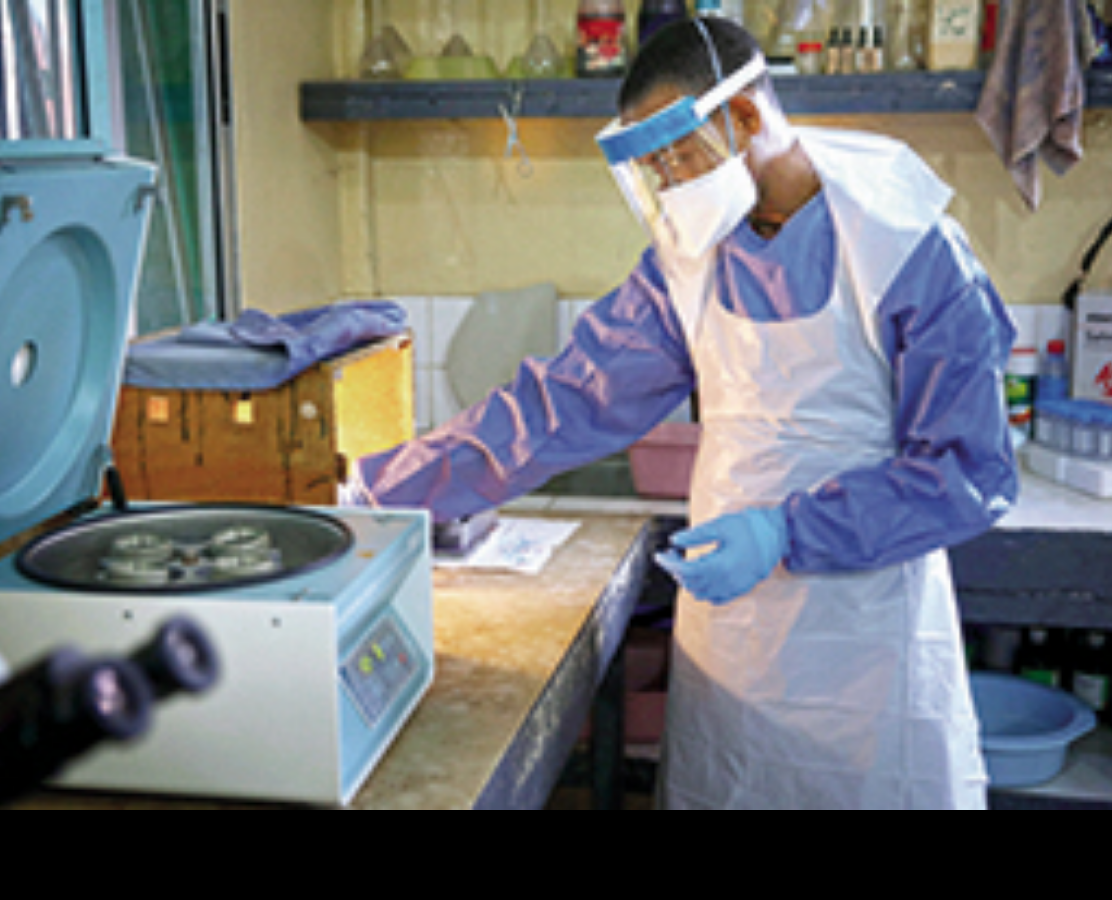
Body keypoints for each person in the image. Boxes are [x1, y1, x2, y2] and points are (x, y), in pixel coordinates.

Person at [350, 17, 1018, 809]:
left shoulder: (906, 247)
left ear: (744, 116)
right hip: (733, 638)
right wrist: (376, 490)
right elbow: (569, 399)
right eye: (654, 168)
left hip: (866, 647)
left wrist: (785, 532)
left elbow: (966, 472)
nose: (669, 186)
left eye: (677, 157)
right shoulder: (691, 259)